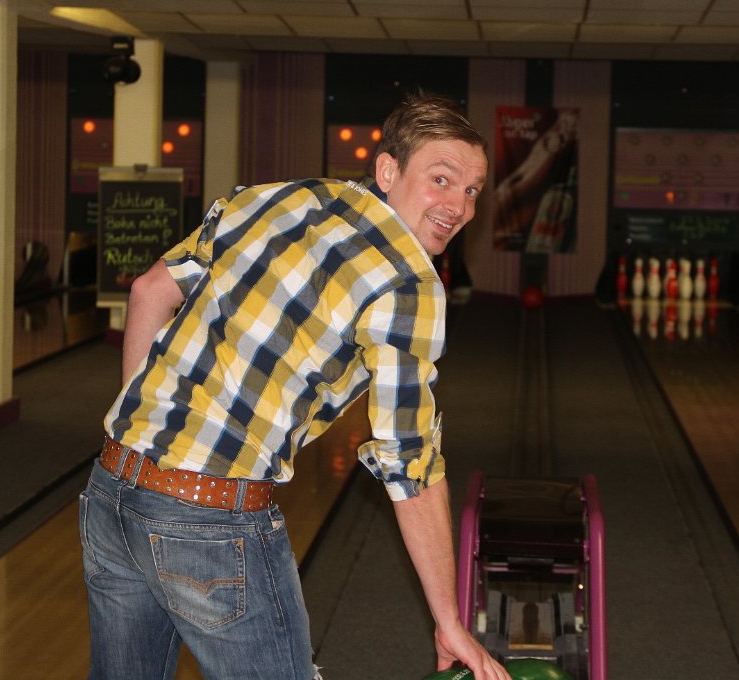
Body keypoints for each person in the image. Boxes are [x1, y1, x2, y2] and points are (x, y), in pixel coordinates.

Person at [79, 93, 509, 680]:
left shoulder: (276, 199)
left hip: (112, 489)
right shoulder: (408, 283)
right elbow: (409, 464)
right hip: (210, 518)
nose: (459, 206)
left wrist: (144, 443)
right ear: (388, 171)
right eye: (442, 178)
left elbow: (149, 291)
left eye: (473, 190)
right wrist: (448, 621)